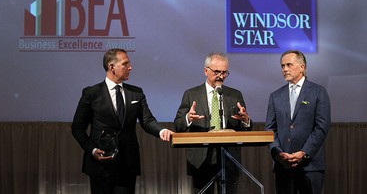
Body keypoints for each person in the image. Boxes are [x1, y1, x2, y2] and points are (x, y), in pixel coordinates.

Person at [71, 48, 174, 194]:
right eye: (125, 64)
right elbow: (77, 128)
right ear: (112, 67)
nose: (130, 67)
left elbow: (147, 120)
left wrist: (161, 130)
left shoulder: (136, 93)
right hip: (100, 164)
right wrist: (92, 150)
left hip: (127, 164)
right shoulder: (92, 93)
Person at [174, 52, 252, 194]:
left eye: (224, 72)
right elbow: (178, 125)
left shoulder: (235, 95)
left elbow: (245, 127)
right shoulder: (191, 94)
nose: (221, 76)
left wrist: (246, 120)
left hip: (229, 158)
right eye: (217, 72)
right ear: (206, 71)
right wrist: (188, 118)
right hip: (201, 159)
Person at [265, 50, 331, 194]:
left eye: (289, 65)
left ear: (302, 67)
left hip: (310, 166)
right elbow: (270, 129)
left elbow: (322, 127)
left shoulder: (318, 92)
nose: (285, 69)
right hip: (283, 166)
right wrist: (278, 154)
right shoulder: (275, 96)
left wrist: (304, 152)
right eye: (282, 66)